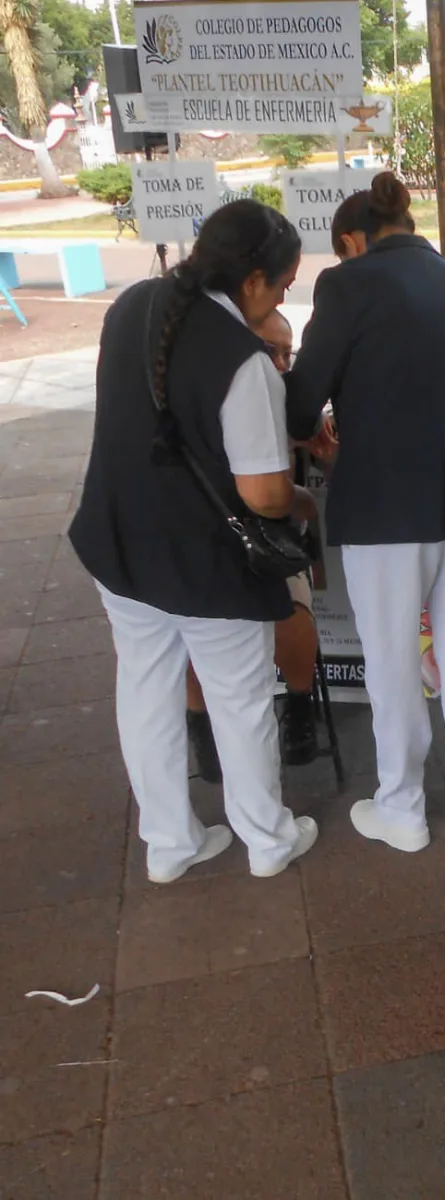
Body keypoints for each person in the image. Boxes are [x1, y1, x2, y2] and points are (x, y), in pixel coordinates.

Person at [69, 200, 319, 883]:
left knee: (145, 688)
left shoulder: (132, 307)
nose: (284, 297)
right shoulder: (245, 362)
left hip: (118, 541)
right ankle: (267, 841)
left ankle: (170, 845)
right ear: (253, 283)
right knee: (239, 700)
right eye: (285, 284)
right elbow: (264, 494)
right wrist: (306, 503)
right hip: (208, 561)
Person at [287, 172, 445, 852]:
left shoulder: (346, 285)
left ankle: (403, 810)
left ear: (352, 241)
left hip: (382, 509)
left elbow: (300, 406)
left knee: (390, 662)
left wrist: (332, 428)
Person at [185, 307, 320, 781]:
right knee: (188, 630)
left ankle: (301, 708)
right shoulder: (220, 390)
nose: (281, 363)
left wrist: (315, 447)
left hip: (269, 546)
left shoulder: (289, 401)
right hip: (212, 537)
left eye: (288, 353)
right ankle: (201, 724)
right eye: (271, 350)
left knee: (290, 612)